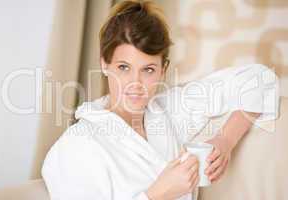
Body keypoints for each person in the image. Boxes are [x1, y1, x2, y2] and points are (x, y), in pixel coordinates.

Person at [41, 1, 279, 200]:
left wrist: (226, 139)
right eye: (124, 67)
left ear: (163, 69)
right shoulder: (76, 147)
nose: (136, 83)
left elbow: (259, 79)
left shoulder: (170, 112)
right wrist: (156, 194)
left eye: (148, 70)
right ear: (104, 63)